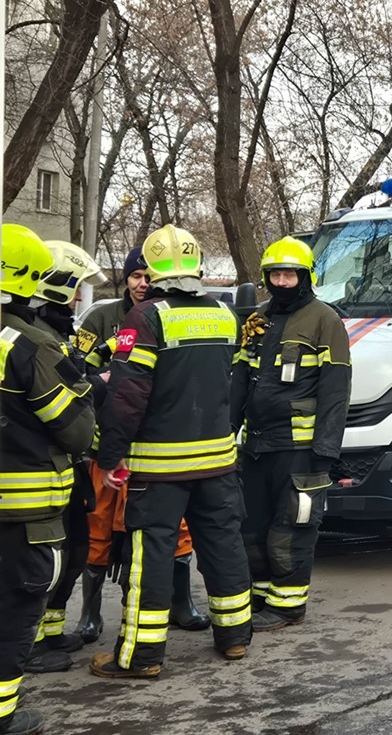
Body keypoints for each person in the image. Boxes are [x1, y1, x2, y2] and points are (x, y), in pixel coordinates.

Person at [90, 224, 252, 678]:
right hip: (218, 459)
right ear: (197, 265)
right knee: (222, 542)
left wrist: (109, 455)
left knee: (152, 554)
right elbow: (232, 384)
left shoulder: (145, 317)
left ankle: (141, 656)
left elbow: (127, 395)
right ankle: (235, 636)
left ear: (153, 271)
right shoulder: (224, 314)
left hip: (160, 466)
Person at [73, 248, 209, 647]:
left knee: (177, 531)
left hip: (159, 448)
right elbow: (76, 371)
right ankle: (90, 613)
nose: (141, 283)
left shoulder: (172, 314)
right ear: (127, 281)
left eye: (147, 276)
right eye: (135, 276)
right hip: (106, 446)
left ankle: (182, 604)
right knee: (97, 528)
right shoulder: (100, 317)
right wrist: (109, 375)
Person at [0, 224, 96, 735]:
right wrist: (84, 390)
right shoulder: (29, 345)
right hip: (23, 508)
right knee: (15, 607)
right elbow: (76, 431)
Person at [231, 237, 350, 632]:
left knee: (291, 527)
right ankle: (261, 598)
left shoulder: (325, 320)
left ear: (305, 277)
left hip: (299, 448)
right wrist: (226, 435)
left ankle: (288, 606)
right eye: (275, 275)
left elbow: (335, 390)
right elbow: (239, 384)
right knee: (252, 527)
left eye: (289, 274)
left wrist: (325, 449)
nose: (282, 282)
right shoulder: (257, 320)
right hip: (256, 446)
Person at [24, 241, 108, 674]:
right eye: (74, 288)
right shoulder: (35, 338)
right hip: (45, 468)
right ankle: (33, 642)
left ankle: (51, 630)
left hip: (66, 468)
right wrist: (97, 387)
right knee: (44, 561)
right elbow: (64, 408)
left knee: (72, 553)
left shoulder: (58, 332)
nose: (79, 297)